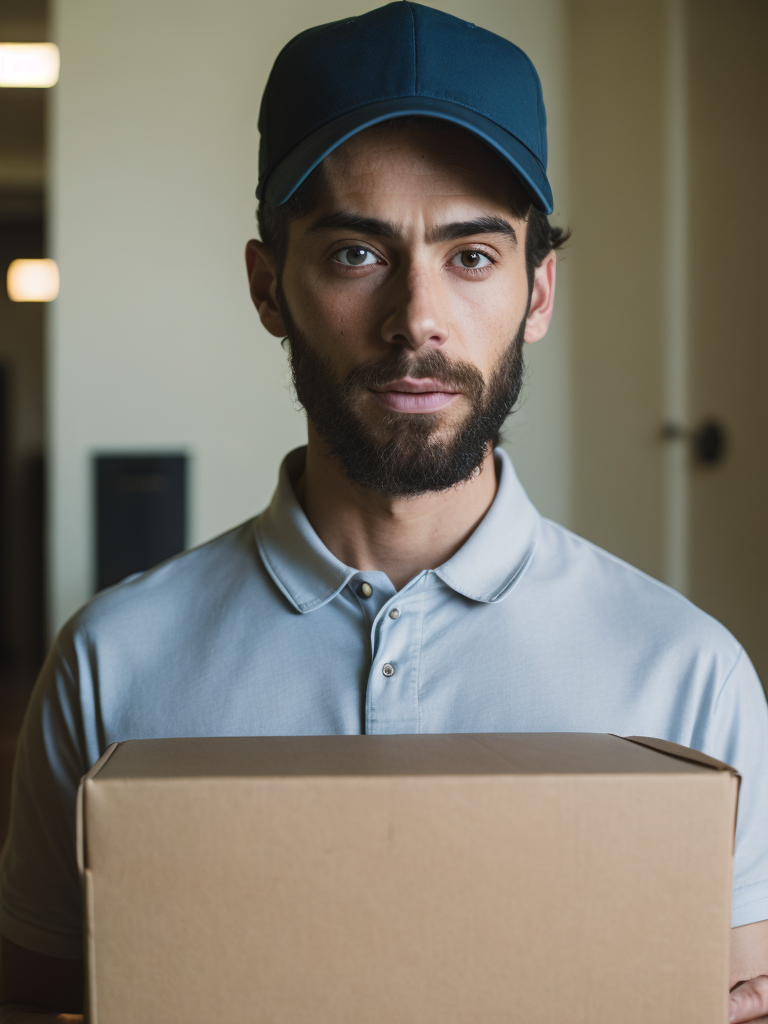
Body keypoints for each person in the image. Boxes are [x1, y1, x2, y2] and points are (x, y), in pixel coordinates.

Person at [2, 3, 768, 1021]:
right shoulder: (111, 662)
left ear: (539, 292)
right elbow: (40, 994)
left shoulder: (686, 674)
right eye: (356, 253)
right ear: (269, 286)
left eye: (472, 256)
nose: (417, 319)